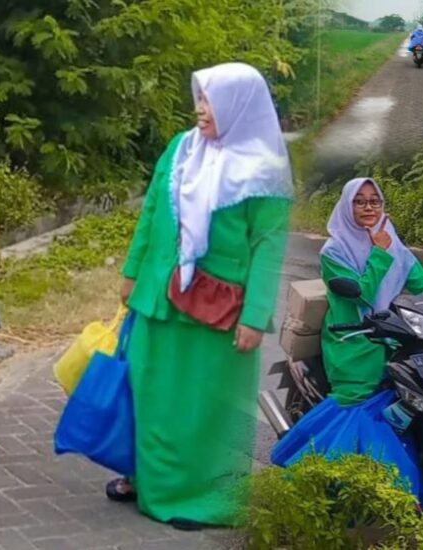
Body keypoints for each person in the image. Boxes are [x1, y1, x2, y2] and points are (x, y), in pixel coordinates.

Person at [108, 62, 293, 529]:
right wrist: (132, 272)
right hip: (159, 296)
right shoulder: (181, 149)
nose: (200, 108)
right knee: (149, 393)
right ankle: (148, 481)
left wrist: (256, 316)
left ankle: (205, 497)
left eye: (211, 99)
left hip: (218, 312)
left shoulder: (263, 171)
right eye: (200, 97)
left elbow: (268, 249)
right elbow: (152, 212)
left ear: (239, 105)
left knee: (206, 406)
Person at [320, 178, 423, 405]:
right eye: (359, 202)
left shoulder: (392, 243)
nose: (368, 207)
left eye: (375, 202)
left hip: (391, 332)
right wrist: (379, 252)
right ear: (347, 206)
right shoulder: (334, 251)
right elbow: (363, 292)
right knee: (355, 404)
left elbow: (422, 282)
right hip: (353, 338)